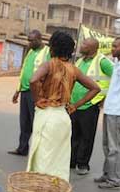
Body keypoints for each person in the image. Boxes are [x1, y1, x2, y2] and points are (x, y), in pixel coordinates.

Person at [27, 31, 100, 182]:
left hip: (47, 115)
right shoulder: (74, 69)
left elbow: (33, 80)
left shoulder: (48, 65)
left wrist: (38, 99)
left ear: (52, 48)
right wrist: (76, 105)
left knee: (42, 158)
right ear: (70, 50)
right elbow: (95, 88)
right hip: (63, 116)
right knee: (59, 160)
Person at [95, 37, 120, 189]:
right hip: (110, 109)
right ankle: (107, 174)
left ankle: (114, 180)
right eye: (112, 46)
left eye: (115, 46)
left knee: (115, 148)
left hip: (118, 111)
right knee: (107, 145)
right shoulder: (118, 63)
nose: (112, 49)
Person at [70, 38, 114, 175]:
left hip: (90, 104)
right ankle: (71, 161)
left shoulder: (102, 62)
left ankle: (83, 164)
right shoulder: (80, 60)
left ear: (92, 48)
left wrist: (105, 97)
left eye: (84, 44)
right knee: (73, 135)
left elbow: (117, 78)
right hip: (75, 104)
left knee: (86, 136)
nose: (81, 46)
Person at [9, 30, 50, 156]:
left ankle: (38, 152)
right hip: (25, 91)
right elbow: (24, 71)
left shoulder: (48, 52)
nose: (29, 43)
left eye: (32, 40)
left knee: (36, 122)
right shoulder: (30, 51)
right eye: (28, 40)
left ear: (39, 39)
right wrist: (18, 90)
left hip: (37, 93)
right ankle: (22, 148)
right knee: (24, 122)